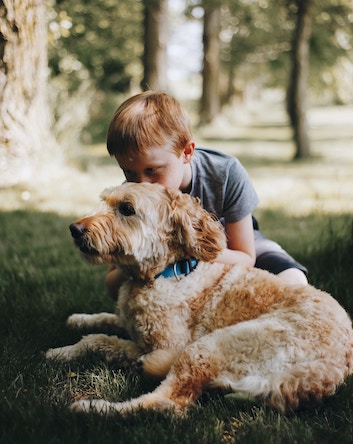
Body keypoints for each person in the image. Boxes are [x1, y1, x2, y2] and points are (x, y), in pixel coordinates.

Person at [105, 91, 308, 298]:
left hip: (232, 246)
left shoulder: (225, 173)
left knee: (294, 280)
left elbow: (246, 257)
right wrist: (134, 263)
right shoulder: (131, 200)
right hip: (167, 262)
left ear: (186, 152)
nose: (141, 184)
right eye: (128, 172)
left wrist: (188, 249)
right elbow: (113, 285)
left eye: (152, 170)